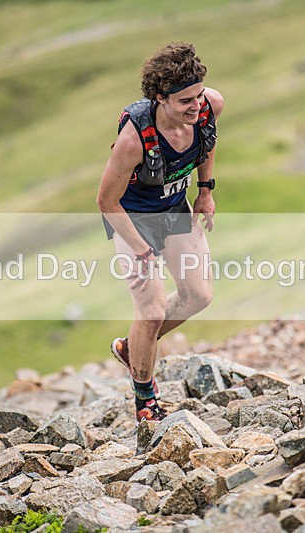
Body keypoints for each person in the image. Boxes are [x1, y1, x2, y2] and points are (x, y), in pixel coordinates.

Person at [97, 42, 224, 423]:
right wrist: (139, 249)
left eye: (199, 94)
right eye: (185, 100)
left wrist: (205, 190)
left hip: (175, 210)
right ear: (160, 98)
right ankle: (145, 401)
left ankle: (131, 346)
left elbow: (208, 141)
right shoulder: (134, 140)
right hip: (133, 219)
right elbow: (106, 201)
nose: (196, 105)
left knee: (198, 295)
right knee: (150, 312)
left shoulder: (209, 106)